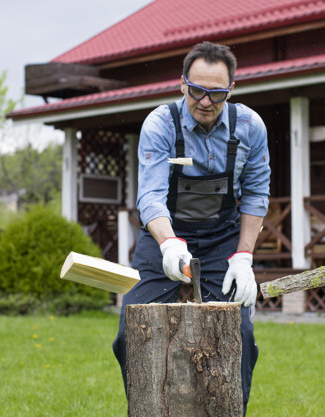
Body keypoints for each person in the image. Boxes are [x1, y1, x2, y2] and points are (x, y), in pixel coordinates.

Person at [112, 41, 271, 415]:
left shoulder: (249, 126)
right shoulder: (160, 123)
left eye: (216, 93)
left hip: (222, 241)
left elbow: (256, 194)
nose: (205, 101)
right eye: (197, 90)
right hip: (162, 239)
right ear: (183, 84)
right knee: (128, 336)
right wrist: (169, 244)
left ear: (230, 90)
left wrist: (244, 256)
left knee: (241, 337)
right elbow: (150, 195)